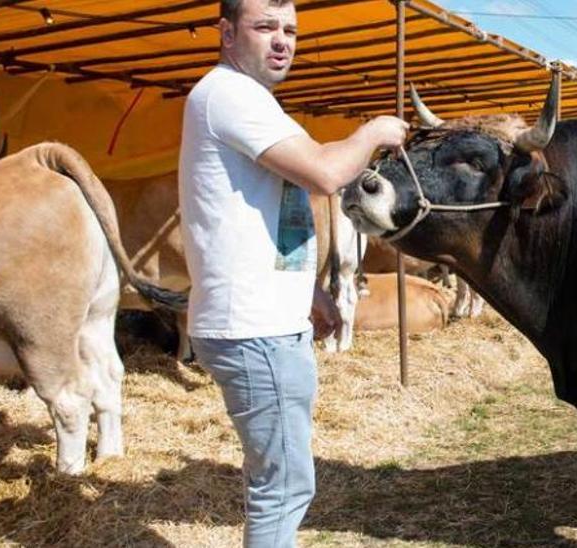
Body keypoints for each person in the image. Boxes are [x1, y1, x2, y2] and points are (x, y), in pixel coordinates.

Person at [177, 0, 408, 545]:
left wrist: (306, 292)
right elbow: (326, 173)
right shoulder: (230, 95)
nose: (282, 40)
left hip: (265, 320)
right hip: (254, 330)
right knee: (284, 488)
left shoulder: (252, 101)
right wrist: (372, 132)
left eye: (290, 30)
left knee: (280, 481)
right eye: (265, 27)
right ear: (227, 33)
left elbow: (264, 211)